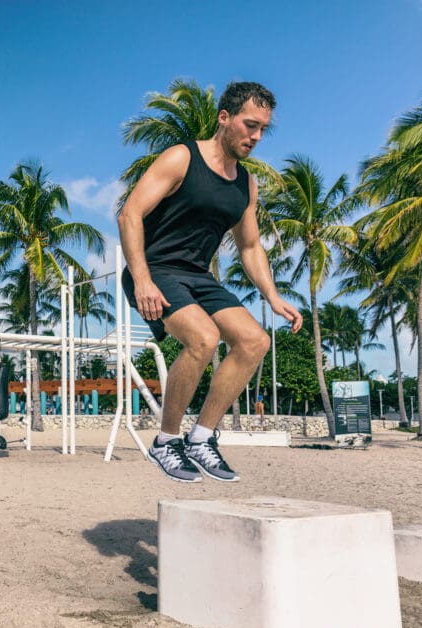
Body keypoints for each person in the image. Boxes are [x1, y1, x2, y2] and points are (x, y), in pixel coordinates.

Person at [118, 81, 302, 483]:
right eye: (249, 125)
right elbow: (129, 215)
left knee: (255, 341)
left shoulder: (245, 184)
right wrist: (143, 279)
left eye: (262, 129)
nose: (255, 136)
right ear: (224, 118)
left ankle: (201, 438)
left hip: (196, 276)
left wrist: (272, 297)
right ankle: (167, 442)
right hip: (154, 270)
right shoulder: (181, 158)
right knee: (203, 338)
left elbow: (250, 246)